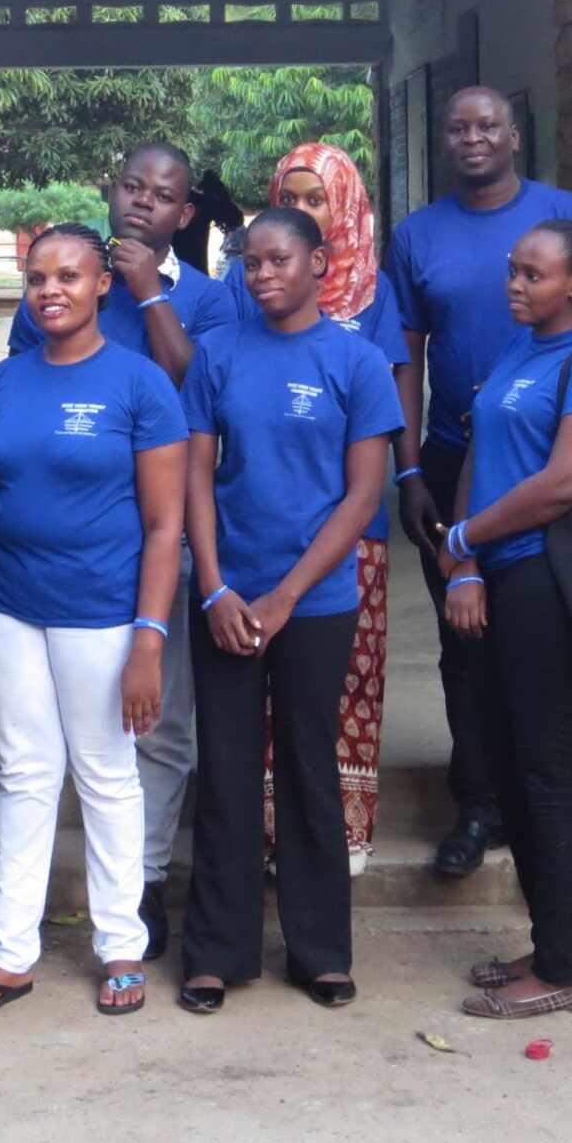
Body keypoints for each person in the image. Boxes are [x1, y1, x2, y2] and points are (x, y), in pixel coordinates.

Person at [385, 87, 572, 880]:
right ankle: (479, 806)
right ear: (442, 138)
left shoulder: (566, 215)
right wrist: (410, 470)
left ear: (515, 135)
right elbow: (405, 359)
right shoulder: (417, 235)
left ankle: (545, 798)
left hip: (554, 464)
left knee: (550, 636)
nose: (473, 138)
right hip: (457, 461)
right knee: (465, 647)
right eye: (458, 126)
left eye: (488, 125)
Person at [0, 224, 186, 1022]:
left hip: (103, 614)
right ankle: (10, 954)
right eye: (37, 278)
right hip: (9, 609)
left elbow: (165, 527)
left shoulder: (140, 384)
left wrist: (148, 639)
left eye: (69, 277)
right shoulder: (5, 385)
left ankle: (121, 945)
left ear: (102, 285)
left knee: (106, 772)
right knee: (23, 771)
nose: (50, 292)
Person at [6, 141, 234, 957]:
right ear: (112, 192)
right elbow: (23, 399)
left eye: (162, 194)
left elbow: (201, 386)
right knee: (40, 744)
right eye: (132, 186)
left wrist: (149, 294)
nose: (142, 201)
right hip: (62, 547)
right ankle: (17, 897)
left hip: (160, 535)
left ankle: (142, 880)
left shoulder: (209, 297)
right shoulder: (63, 280)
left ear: (185, 213)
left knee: (158, 721)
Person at [177, 207, 402, 1014]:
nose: (264, 274)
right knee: (227, 767)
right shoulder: (217, 353)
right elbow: (196, 477)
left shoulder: (357, 362)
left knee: (309, 766)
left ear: (319, 262)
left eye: (279, 260)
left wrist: (286, 596)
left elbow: (362, 496)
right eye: (252, 262)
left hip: (314, 602)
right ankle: (217, 952)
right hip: (225, 599)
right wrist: (214, 588)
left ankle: (321, 951)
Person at [435, 218, 572, 1019]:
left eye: (533, 275)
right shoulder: (517, 349)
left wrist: (464, 540)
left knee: (551, 776)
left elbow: (564, 482)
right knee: (508, 768)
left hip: (551, 585)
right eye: (513, 271)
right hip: (493, 579)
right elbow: (479, 460)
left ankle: (558, 969)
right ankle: (549, 940)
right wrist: (464, 563)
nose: (515, 285)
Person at [233, 143, 404, 872]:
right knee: (262, 695)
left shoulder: (374, 294)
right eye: (290, 198)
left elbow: (392, 398)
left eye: (316, 199)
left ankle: (342, 834)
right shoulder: (250, 289)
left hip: (349, 531)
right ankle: (269, 834)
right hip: (260, 530)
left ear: (345, 209)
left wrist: (411, 474)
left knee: (343, 685)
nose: (303, 211)